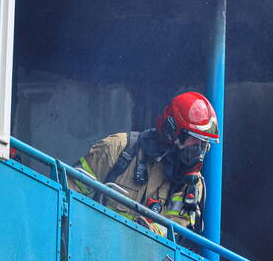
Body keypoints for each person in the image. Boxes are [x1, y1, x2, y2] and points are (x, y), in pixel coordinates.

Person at [72, 92, 219, 235]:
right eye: (193, 139)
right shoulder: (120, 147)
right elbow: (70, 187)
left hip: (146, 258)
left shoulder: (191, 184)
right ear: (171, 130)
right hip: (93, 245)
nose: (198, 149)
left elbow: (175, 229)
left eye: (204, 144)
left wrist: (149, 232)